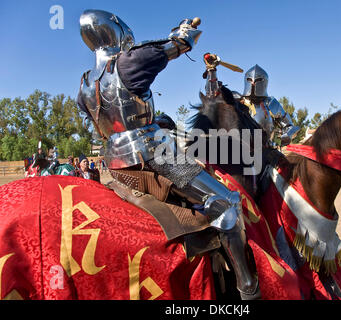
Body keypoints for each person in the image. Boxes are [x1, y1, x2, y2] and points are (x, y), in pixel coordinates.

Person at [76, 9, 259, 299]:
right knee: (228, 203)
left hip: (113, 162)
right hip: (153, 154)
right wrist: (186, 27)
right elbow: (182, 42)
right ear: (113, 29)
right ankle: (249, 289)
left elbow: (96, 122)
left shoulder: (86, 82)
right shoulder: (129, 61)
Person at [234, 65, 300, 148]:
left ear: (264, 82)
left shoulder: (270, 103)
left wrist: (287, 135)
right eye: (250, 80)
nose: (253, 83)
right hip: (238, 149)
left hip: (265, 150)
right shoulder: (237, 100)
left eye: (257, 80)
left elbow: (290, 126)